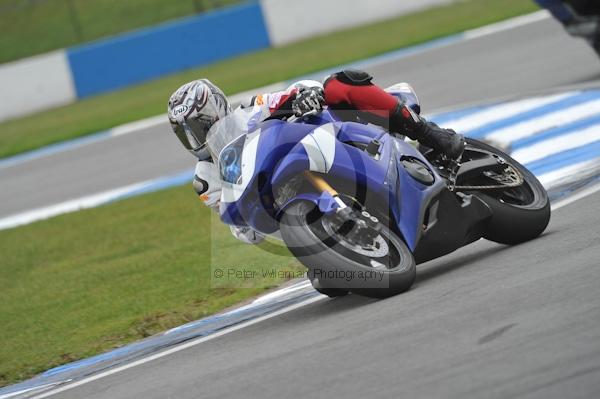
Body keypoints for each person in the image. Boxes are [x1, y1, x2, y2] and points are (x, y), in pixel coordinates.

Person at [167, 69, 465, 244]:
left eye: (199, 125)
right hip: (292, 201)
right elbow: (243, 231)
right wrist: (245, 221)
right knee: (331, 287)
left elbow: (296, 91)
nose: (196, 137)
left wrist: (303, 97)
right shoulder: (205, 180)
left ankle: (432, 136)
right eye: (186, 133)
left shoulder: (252, 109)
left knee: (338, 84)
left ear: (218, 106)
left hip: (326, 142)